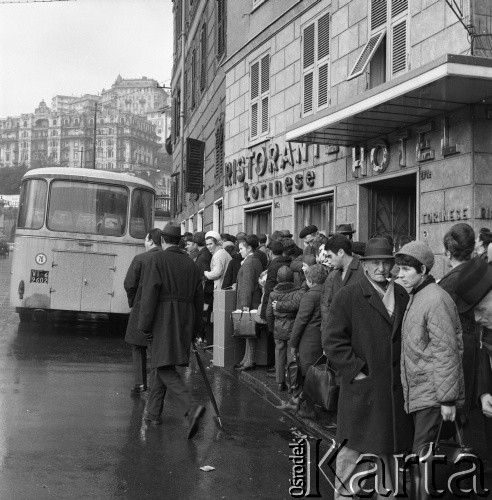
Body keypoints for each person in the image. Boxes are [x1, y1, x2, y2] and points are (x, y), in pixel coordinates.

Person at [324, 238, 413, 499]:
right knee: (352, 456)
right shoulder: (349, 296)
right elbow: (332, 342)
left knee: (388, 457)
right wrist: (358, 371)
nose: (382, 269)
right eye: (375, 263)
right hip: (363, 392)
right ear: (364, 266)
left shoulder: (402, 294)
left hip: (394, 394)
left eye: (386, 263)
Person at [395, 241, 464, 496]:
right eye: (399, 268)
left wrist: (447, 400)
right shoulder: (419, 295)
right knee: (423, 456)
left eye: (405, 269)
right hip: (422, 391)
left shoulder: (434, 298)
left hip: (432, 394)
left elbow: (446, 351)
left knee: (422, 456)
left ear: (422, 269)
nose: (399, 274)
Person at [138, 223, 206, 439]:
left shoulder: (157, 260)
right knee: (162, 362)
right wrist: (197, 328)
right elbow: (199, 299)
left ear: (163, 240)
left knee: (163, 365)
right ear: (180, 241)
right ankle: (153, 412)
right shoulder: (191, 265)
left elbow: (150, 294)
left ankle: (191, 407)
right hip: (186, 317)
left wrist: (144, 325)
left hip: (164, 317)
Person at [455, 258, 492, 471]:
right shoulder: (487, 330)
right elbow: (485, 357)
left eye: (482, 309)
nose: (477, 319)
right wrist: (484, 393)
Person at [439, 223, 478, 421]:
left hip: (458, 346)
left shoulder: (450, 282)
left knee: (458, 409)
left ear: (448, 252)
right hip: (477, 344)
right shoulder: (480, 272)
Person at [123, 228, 163, 395]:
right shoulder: (167, 259)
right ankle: (156, 385)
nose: (145, 243)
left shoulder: (140, 258)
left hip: (141, 308)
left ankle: (140, 383)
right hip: (162, 310)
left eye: (146, 240)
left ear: (151, 241)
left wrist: (133, 302)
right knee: (158, 349)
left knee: (137, 346)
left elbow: (129, 284)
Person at [288, 264, 328, 419]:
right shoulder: (328, 291)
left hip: (309, 341)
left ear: (310, 280)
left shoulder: (310, 296)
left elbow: (300, 321)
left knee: (307, 375)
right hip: (321, 339)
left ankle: (308, 408)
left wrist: (293, 344)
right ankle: (307, 402)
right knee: (320, 373)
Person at [266, 266, 302, 391]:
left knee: (279, 354)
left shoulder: (273, 294)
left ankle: (280, 382)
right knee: (291, 356)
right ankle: (291, 383)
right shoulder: (297, 292)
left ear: (278, 279)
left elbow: (269, 314)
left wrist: (271, 329)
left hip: (278, 327)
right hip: (293, 327)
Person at [320, 234, 365, 335]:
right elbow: (330, 306)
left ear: (340, 252)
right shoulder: (335, 275)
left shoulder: (363, 271)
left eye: (330, 256)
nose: (327, 260)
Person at [234, 234, 263, 371]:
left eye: (241, 248)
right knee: (249, 333)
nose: (239, 251)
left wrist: (244, 305)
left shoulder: (249, 262)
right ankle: (246, 359)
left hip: (249, 303)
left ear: (249, 248)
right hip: (254, 301)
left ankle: (248, 361)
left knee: (248, 332)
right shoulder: (255, 260)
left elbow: (247, 286)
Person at [193, 231, 213, 343]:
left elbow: (204, 274)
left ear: (196, 244)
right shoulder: (205, 254)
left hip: (205, 292)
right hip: (206, 290)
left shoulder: (203, 256)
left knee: (204, 314)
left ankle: (203, 337)